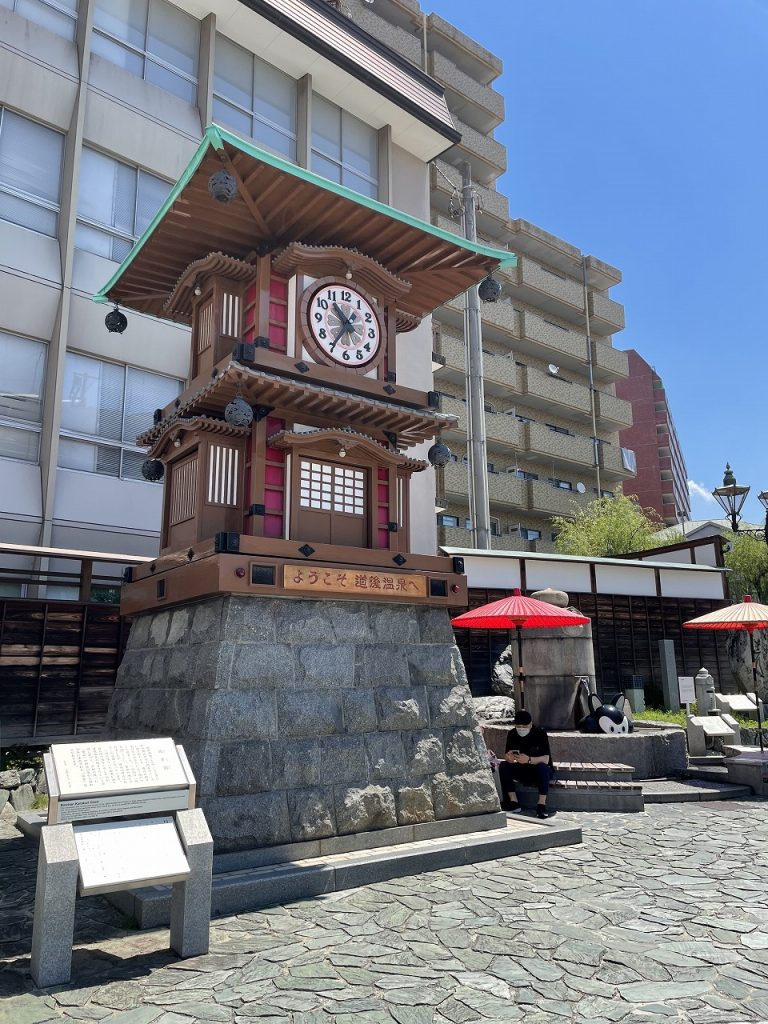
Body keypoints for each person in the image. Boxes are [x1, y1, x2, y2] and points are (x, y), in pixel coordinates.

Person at [498, 710, 554, 819]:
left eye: (524, 726)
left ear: (530, 724)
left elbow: (546, 759)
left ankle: (541, 804)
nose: (521, 728)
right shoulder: (512, 734)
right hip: (521, 769)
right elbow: (507, 755)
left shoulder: (540, 733)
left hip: (538, 770)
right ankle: (514, 802)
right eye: (519, 726)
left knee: (542, 768)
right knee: (504, 766)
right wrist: (509, 758)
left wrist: (529, 760)